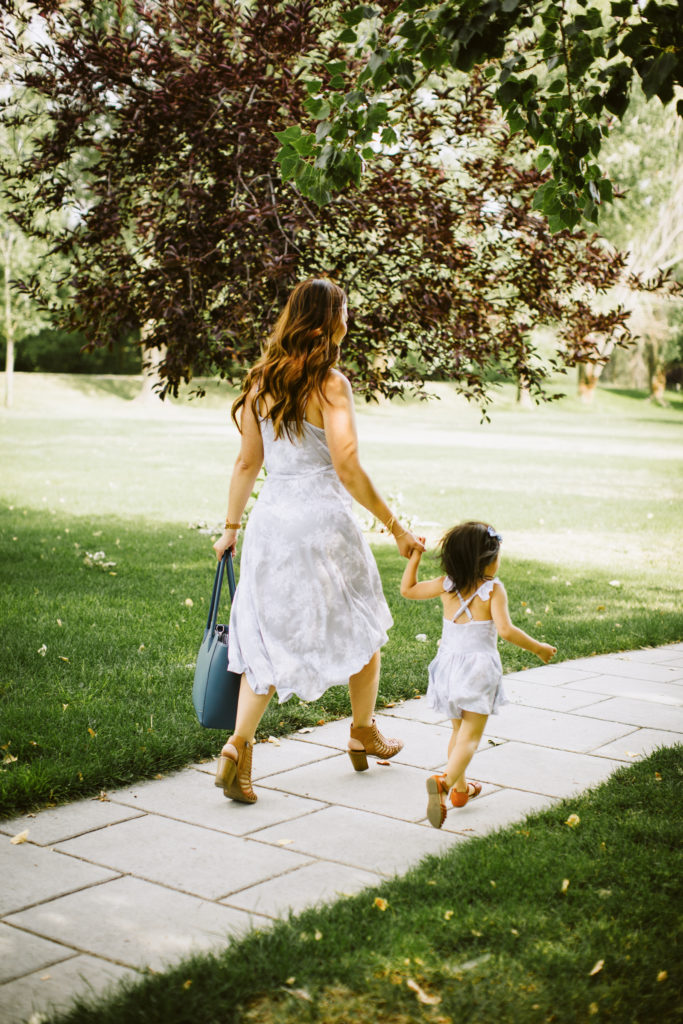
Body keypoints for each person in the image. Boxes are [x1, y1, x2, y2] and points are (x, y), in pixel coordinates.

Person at [212, 277, 422, 803]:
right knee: (364, 622)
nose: (349, 319)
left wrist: (230, 528)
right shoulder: (330, 384)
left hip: (270, 522)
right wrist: (396, 528)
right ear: (330, 321)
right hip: (323, 523)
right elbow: (347, 467)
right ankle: (362, 727)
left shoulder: (261, 380)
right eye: (345, 311)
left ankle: (238, 747)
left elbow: (246, 462)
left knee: (266, 638)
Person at [400, 521, 557, 829]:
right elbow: (506, 630)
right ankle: (444, 784)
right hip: (478, 670)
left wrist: (415, 558)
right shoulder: (492, 590)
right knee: (470, 738)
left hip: (447, 667)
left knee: (458, 732)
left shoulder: (447, 584)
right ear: (485, 561)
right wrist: (538, 648)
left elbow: (407, 590)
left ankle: (460, 790)